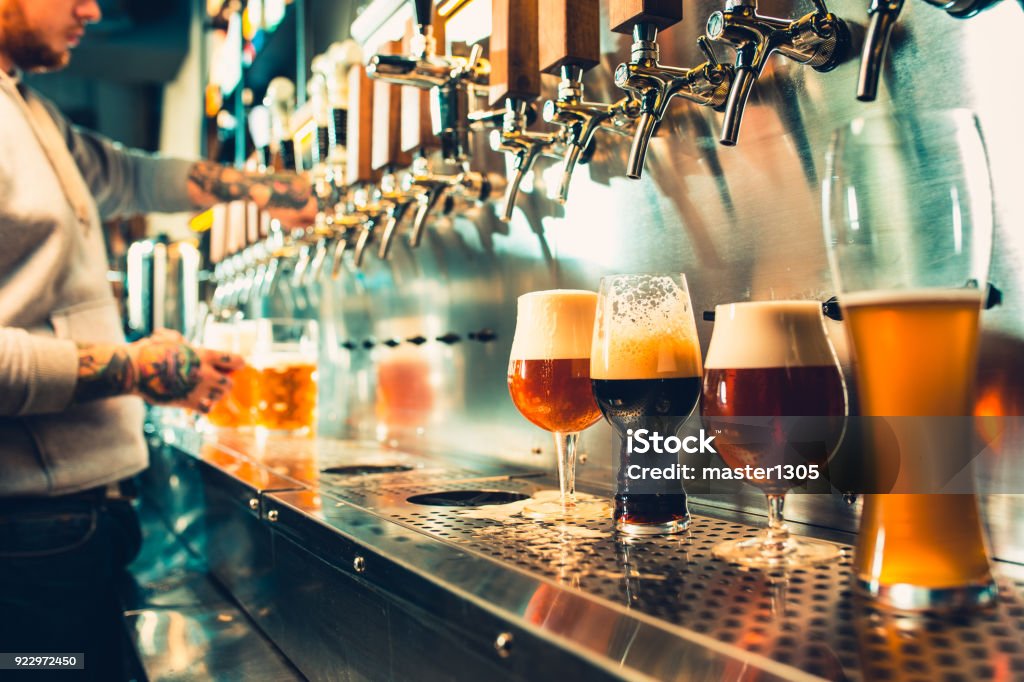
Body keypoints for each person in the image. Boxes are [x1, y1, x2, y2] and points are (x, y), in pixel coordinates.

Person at [0, 1, 319, 678]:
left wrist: (254, 186)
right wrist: (135, 369)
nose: (92, 9)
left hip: (73, 525)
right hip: (27, 536)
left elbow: (125, 174)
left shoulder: (22, 106)